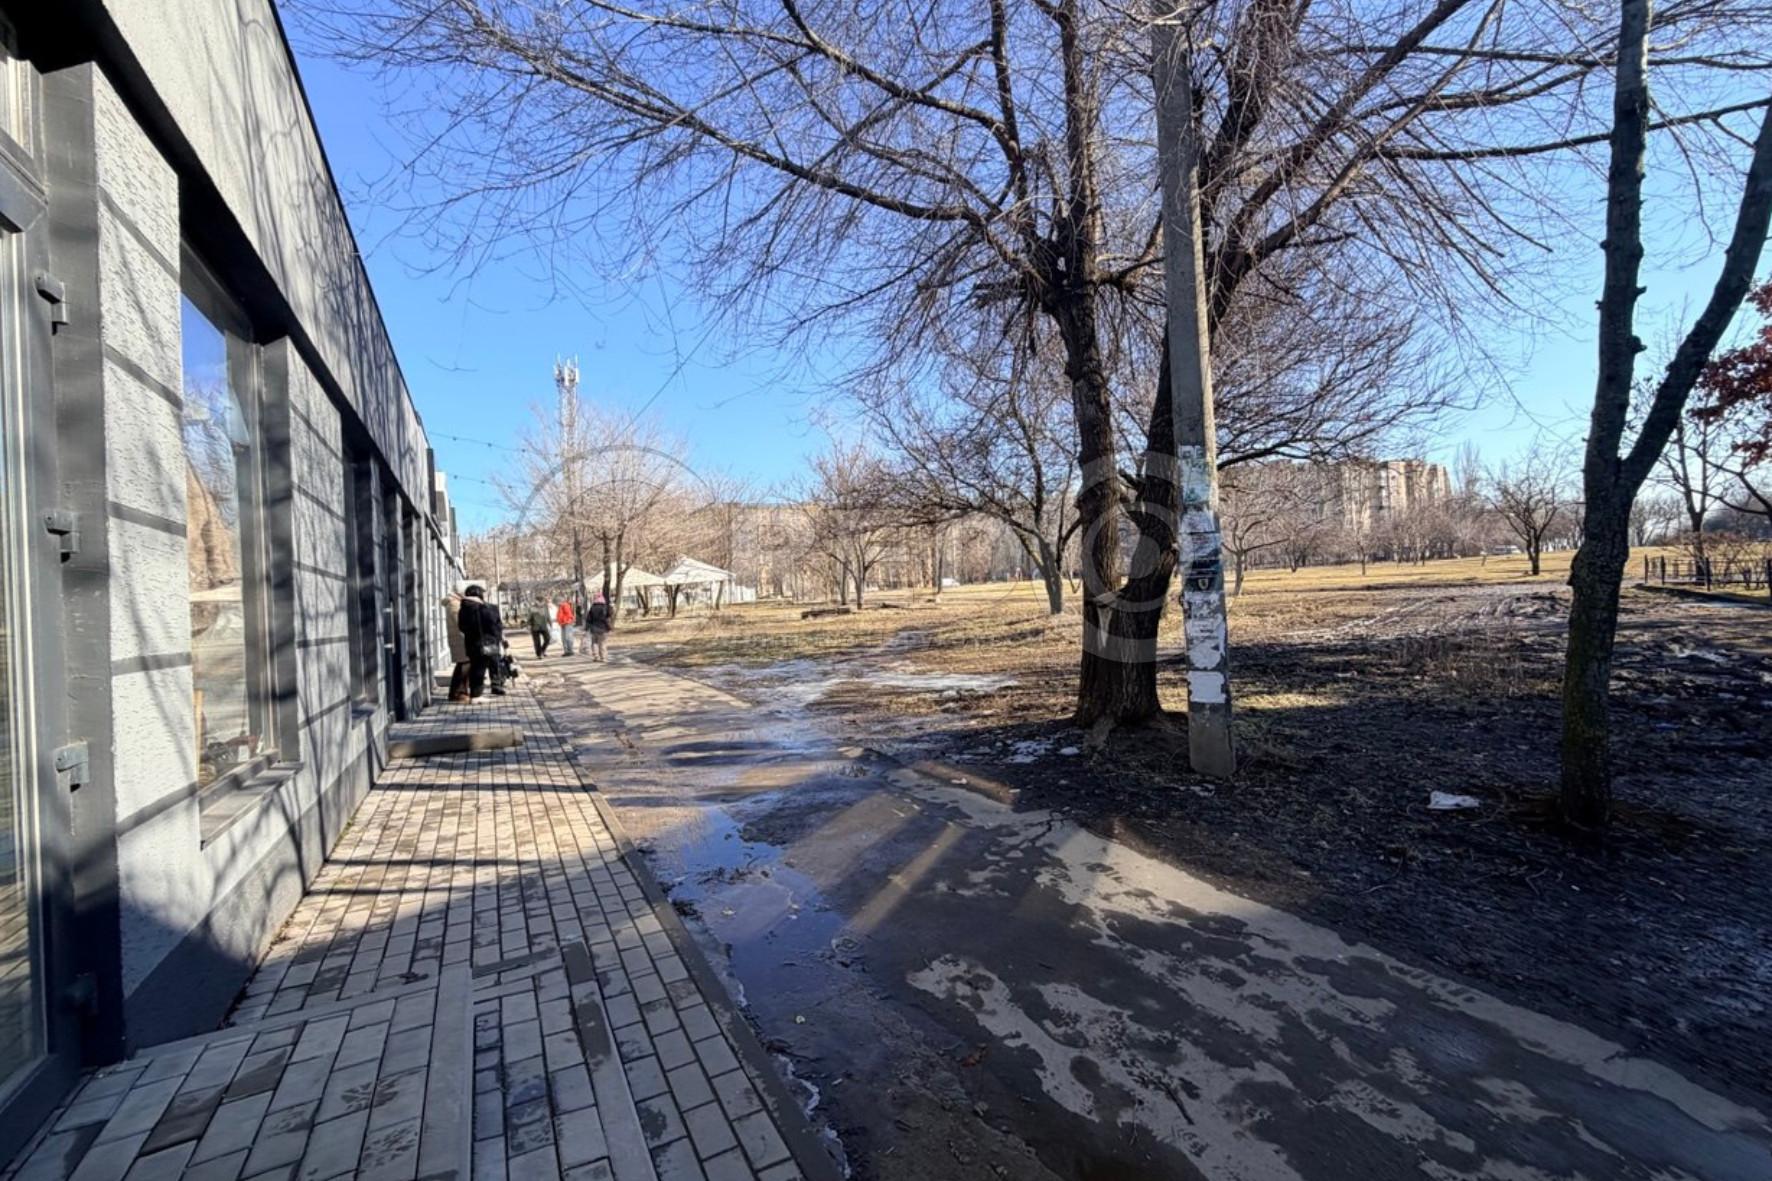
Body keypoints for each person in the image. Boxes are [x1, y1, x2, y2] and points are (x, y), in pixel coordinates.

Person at [459, 584, 506, 697]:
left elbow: (462, 627)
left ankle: (476, 692)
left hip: (472, 644)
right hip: (490, 642)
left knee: (476, 668)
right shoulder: (490, 608)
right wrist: (497, 638)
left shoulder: (464, 609)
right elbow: (497, 625)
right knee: (494, 663)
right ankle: (496, 685)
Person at [442, 586, 471, 702]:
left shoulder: (454, 603)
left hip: (459, 639)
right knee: (464, 666)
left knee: (464, 665)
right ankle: (457, 693)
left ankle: (459, 692)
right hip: (460, 640)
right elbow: (460, 622)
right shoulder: (455, 604)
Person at [586, 592, 613, 662]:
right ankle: (603, 657)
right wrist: (609, 627)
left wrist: (587, 628)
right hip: (602, 628)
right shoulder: (604, 607)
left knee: (594, 643)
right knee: (602, 643)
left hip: (594, 628)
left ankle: (596, 656)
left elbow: (588, 619)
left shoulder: (592, 607)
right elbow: (607, 617)